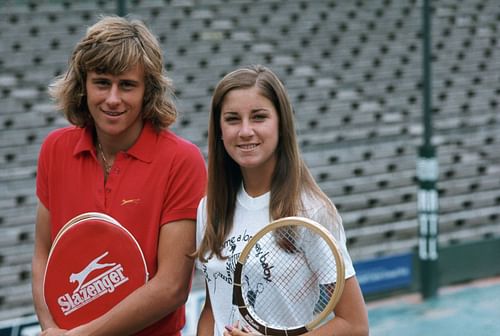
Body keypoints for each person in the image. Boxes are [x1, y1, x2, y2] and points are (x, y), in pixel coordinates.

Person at [31, 15, 207, 336]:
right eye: (102, 82)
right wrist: (50, 329)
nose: (113, 99)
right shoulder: (55, 149)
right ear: (83, 85)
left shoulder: (182, 160)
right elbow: (44, 253)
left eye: (127, 85)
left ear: (147, 91)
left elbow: (172, 287)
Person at [194, 65, 369, 336]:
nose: (245, 131)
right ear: (219, 129)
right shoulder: (209, 209)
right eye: (232, 119)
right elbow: (212, 308)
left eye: (259, 117)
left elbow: (354, 325)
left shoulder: (311, 211)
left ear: (281, 124)